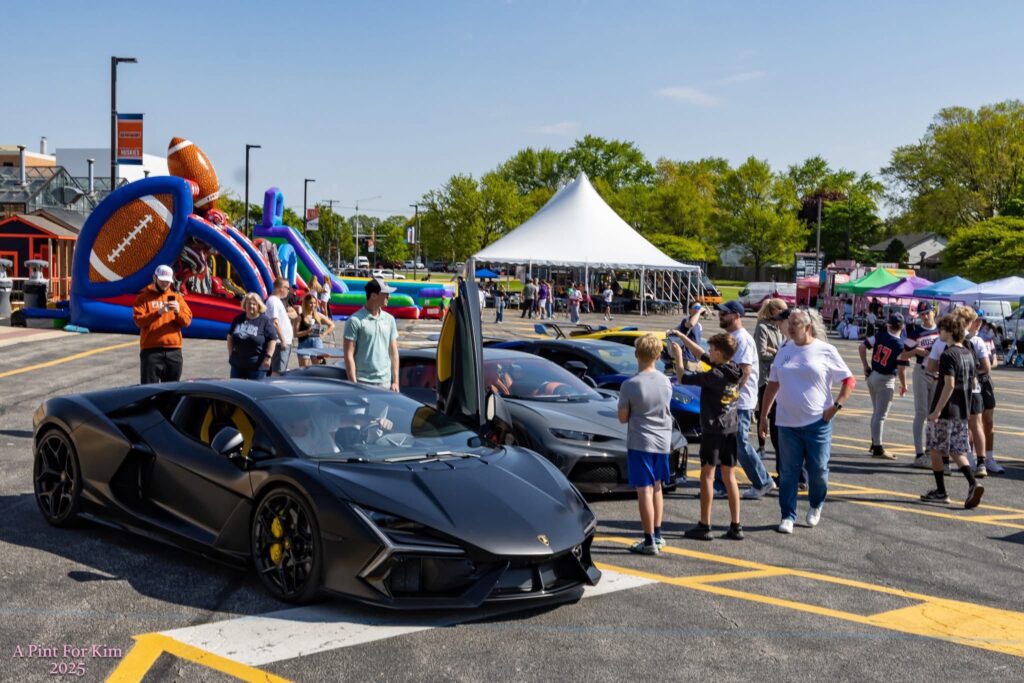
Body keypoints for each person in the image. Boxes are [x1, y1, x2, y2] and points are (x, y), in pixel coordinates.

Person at [759, 308, 854, 532]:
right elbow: (773, 384)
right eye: (789, 323)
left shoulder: (826, 350)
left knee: (818, 470)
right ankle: (787, 515)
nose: (790, 328)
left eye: (796, 324)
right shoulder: (784, 350)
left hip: (817, 423)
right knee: (788, 472)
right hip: (786, 423)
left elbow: (849, 380)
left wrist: (836, 406)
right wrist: (763, 415)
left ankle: (816, 504)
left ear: (808, 327)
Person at [669, 331, 744, 541]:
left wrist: (678, 356)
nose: (709, 351)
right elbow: (701, 354)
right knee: (729, 477)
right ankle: (736, 525)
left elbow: (682, 378)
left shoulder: (715, 376)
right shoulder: (733, 369)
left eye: (712, 349)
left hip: (713, 431)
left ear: (718, 353)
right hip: (731, 428)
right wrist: (683, 338)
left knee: (707, 476)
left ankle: (704, 524)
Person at [617, 334, 674, 555]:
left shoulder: (630, 384)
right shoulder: (665, 381)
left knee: (644, 490)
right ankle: (657, 534)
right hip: (663, 440)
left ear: (636, 354)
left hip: (641, 441)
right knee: (657, 486)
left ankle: (648, 540)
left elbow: (623, 417)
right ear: (658, 356)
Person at [921, 315, 985, 508]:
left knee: (935, 449)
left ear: (949, 332)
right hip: (962, 410)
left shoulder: (948, 355)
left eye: (941, 329)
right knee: (956, 450)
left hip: (945, 410)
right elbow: (972, 382)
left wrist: (936, 411)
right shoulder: (967, 353)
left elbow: (949, 385)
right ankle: (973, 483)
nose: (939, 333)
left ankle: (942, 491)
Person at [714, 301, 775, 500]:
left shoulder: (743, 339)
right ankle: (721, 485)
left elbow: (745, 371)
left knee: (739, 442)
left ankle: (763, 481)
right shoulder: (730, 338)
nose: (720, 316)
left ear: (736, 316)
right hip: (731, 400)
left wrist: (732, 395)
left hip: (740, 401)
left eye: (724, 313)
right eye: (720, 313)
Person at [132, 264, 193, 384]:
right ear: (155, 278)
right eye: (162, 280)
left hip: (173, 350)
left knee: (172, 389)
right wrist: (158, 312)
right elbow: (139, 321)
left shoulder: (177, 298)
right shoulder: (143, 298)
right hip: (151, 350)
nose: (165, 284)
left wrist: (177, 312)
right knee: (149, 389)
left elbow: (186, 321)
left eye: (168, 281)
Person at [859, 313, 908, 460]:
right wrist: (904, 384)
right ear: (902, 326)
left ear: (888, 325)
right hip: (885, 379)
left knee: (876, 413)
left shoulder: (880, 336)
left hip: (873, 375)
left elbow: (862, 347)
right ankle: (878, 448)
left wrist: (865, 366)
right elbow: (901, 369)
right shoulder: (900, 345)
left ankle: (875, 442)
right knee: (880, 415)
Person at [900, 301, 940, 469]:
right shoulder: (916, 332)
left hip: (938, 374)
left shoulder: (941, 330)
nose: (925, 317)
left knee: (934, 413)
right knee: (921, 412)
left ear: (934, 312)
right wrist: (916, 351)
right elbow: (903, 355)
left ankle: (931, 450)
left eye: (927, 313)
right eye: (922, 314)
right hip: (922, 372)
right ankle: (919, 453)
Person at [343, 277, 400, 390]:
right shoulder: (354, 321)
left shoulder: (390, 320)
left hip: (385, 383)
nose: (389, 296)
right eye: (385, 293)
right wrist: (354, 384)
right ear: (373, 296)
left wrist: (395, 382)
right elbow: (348, 355)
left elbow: (393, 353)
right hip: (362, 383)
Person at [753, 299, 787, 459]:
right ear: (773, 310)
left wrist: (775, 351)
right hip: (766, 377)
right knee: (764, 413)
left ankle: (777, 447)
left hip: (779, 376)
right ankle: (761, 446)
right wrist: (777, 353)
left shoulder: (779, 327)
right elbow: (761, 353)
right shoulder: (762, 327)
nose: (785, 313)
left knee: (775, 416)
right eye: (782, 310)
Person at [227, 292, 279, 379]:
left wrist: (268, 357)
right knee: (236, 387)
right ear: (245, 305)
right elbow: (230, 337)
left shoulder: (265, 321)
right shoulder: (238, 319)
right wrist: (231, 354)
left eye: (254, 304)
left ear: (259, 306)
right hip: (237, 365)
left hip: (257, 366)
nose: (251, 306)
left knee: (256, 388)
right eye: (249, 304)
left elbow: (273, 339)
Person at [265, 278, 296, 375]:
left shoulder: (277, 301)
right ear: (281, 288)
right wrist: (283, 340)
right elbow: (275, 322)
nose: (288, 290)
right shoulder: (273, 301)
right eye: (287, 288)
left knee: (280, 371)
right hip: (279, 343)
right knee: (278, 373)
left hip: (282, 342)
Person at [296, 293, 336, 367]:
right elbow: (295, 334)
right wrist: (307, 332)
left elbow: (332, 325)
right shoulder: (300, 317)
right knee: (303, 370)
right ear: (306, 303)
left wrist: (323, 334)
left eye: (314, 303)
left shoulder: (318, 315)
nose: (313, 305)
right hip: (304, 343)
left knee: (318, 369)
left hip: (317, 342)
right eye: (310, 303)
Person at [677, 303, 705, 372]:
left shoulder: (699, 325)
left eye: (699, 307)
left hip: (697, 359)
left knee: (704, 378)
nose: (698, 309)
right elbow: (691, 324)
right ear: (690, 310)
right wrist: (699, 311)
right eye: (696, 307)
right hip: (688, 358)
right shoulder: (686, 320)